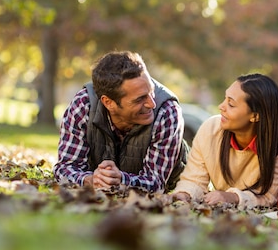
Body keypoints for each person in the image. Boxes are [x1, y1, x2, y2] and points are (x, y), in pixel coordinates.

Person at [53, 51, 187, 193]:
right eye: (140, 99)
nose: (151, 104)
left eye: (151, 91)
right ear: (108, 102)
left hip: (173, 184)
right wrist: (90, 180)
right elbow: (65, 168)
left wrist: (119, 180)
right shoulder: (84, 105)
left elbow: (156, 183)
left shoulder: (167, 111)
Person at [171, 73, 278, 208]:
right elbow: (194, 180)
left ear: (255, 116)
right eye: (225, 99)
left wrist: (234, 197)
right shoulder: (210, 129)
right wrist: (184, 194)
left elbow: (269, 196)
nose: (221, 106)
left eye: (231, 104)